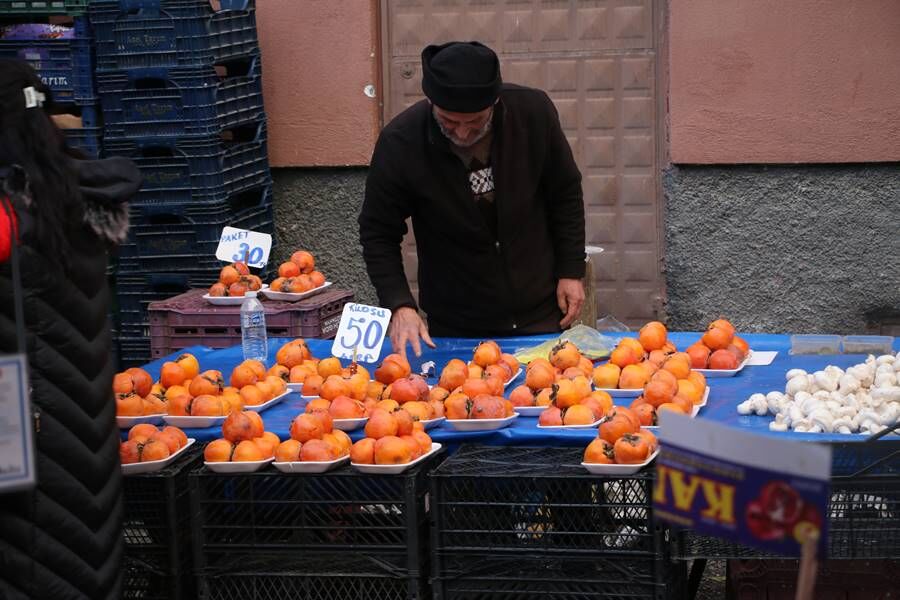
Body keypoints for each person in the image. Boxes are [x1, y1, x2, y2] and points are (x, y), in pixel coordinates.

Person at [0, 59, 141, 599]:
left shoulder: (15, 218)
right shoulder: (71, 197)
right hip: (79, 439)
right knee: (84, 563)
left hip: (25, 445)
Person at [359, 41, 586, 357]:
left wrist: (571, 269)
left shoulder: (533, 114)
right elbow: (377, 232)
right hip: (456, 323)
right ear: (430, 102)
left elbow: (565, 193)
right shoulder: (401, 142)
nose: (463, 134)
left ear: (495, 101)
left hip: (540, 310)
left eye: (476, 122)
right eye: (449, 123)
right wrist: (399, 304)